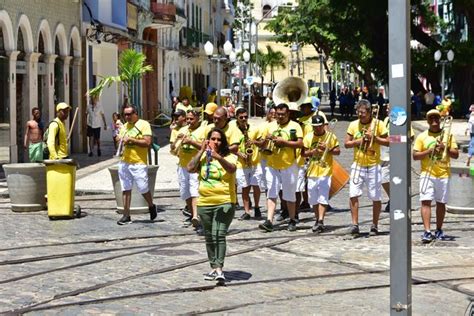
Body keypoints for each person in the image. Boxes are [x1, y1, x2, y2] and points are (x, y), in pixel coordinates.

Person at [187, 127, 237, 285]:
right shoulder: (203, 157)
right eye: (213, 139)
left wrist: (218, 158)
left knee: (219, 234)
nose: (216, 142)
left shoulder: (229, 156)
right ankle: (214, 267)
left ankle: (219, 269)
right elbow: (190, 168)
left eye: (219, 139)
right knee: (209, 236)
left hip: (224, 202)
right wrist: (201, 150)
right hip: (205, 203)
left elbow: (232, 169)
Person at [344, 99, 389, 236]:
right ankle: (355, 224)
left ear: (369, 112)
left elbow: (388, 142)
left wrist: (374, 139)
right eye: (358, 112)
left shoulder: (379, 124)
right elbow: (346, 144)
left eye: (363, 112)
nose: (360, 115)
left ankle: (374, 224)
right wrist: (359, 141)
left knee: (376, 196)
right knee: (353, 194)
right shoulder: (353, 125)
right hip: (358, 164)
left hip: (374, 164)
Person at [413, 109, 459, 242]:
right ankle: (427, 231)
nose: (434, 121)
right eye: (431, 118)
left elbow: (456, 154)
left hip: (443, 173)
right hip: (427, 173)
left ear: (440, 120)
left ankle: (439, 229)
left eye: (436, 118)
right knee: (425, 201)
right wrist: (429, 151)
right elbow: (415, 156)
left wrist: (445, 147)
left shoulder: (448, 135)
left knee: (441, 203)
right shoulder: (422, 136)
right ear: (427, 121)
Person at [258, 103, 303, 232]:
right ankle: (269, 220)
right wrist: (264, 141)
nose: (280, 117)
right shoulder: (270, 126)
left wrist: (284, 142)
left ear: (288, 114)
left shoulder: (295, 126)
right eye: (278, 114)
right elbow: (262, 144)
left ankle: (292, 219)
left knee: (289, 194)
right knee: (271, 192)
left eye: (283, 114)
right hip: (272, 164)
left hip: (288, 164)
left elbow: (300, 144)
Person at [116, 105, 157, 225]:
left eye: (129, 114)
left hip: (138, 162)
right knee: (125, 188)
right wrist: (118, 139)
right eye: (125, 115)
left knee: (143, 188)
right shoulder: (124, 127)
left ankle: (151, 205)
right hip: (125, 161)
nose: (127, 117)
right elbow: (120, 142)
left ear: (136, 113)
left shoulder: (144, 124)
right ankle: (126, 215)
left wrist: (132, 140)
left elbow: (148, 142)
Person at [302, 115, 340, 233]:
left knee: (323, 196)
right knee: (313, 198)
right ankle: (317, 217)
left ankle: (321, 221)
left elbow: (338, 151)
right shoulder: (308, 137)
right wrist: (313, 151)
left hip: (325, 170)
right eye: (315, 127)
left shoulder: (330, 136)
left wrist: (327, 149)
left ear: (324, 125)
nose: (317, 129)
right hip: (312, 170)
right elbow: (303, 153)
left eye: (319, 126)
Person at [171, 110, 206, 230]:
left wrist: (191, 141)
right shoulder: (182, 130)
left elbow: (205, 147)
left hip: (196, 167)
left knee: (195, 191)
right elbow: (173, 150)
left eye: (192, 119)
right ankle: (192, 215)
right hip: (182, 165)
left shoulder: (203, 130)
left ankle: (196, 216)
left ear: (198, 119)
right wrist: (176, 141)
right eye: (187, 119)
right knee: (185, 192)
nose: (189, 121)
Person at [380, 104, 415, 212]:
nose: (386, 109)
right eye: (386, 108)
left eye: (388, 108)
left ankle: (398, 201)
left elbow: (410, 137)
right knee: (383, 178)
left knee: (398, 180)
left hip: (399, 154)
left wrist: (392, 140)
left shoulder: (403, 120)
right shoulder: (386, 120)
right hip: (385, 155)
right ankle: (393, 198)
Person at [235, 107, 263, 220]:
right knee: (245, 188)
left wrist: (254, 142)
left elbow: (262, 143)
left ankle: (256, 207)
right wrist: (239, 154)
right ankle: (246, 211)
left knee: (256, 186)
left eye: (245, 117)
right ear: (236, 117)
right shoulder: (234, 130)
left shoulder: (254, 129)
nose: (243, 119)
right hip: (242, 164)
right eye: (241, 117)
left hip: (255, 162)